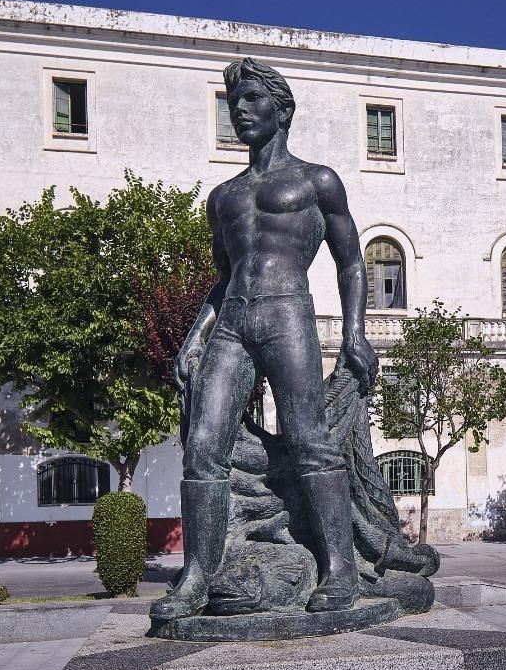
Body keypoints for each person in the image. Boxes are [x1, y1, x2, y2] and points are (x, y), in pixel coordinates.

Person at [151, 58, 379, 622]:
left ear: (282, 109)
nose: (241, 111)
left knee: (310, 441)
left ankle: (341, 569)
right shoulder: (223, 197)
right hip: (233, 322)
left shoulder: (317, 181)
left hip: (287, 314)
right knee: (203, 448)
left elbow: (351, 263)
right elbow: (224, 278)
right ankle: (198, 575)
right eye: (234, 103)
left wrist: (355, 331)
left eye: (252, 99)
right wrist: (195, 336)